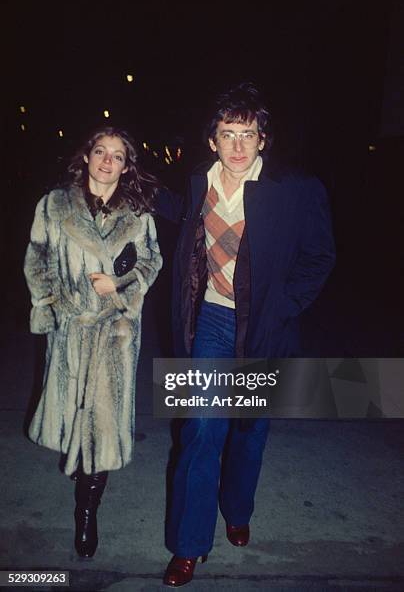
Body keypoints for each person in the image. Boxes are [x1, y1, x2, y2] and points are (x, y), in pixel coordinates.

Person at [156, 83, 336, 586]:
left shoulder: (296, 189)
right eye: (227, 134)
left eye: (248, 134)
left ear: (263, 139)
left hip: (265, 326)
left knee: (250, 428)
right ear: (211, 140)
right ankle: (189, 544)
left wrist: (282, 307)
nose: (238, 145)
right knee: (201, 427)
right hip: (212, 318)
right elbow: (171, 209)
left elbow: (320, 257)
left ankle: (237, 508)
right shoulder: (199, 182)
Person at [24, 126, 162, 558]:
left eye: (117, 155)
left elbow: (152, 260)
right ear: (86, 157)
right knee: (73, 427)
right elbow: (37, 259)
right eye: (100, 151)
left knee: (101, 434)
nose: (107, 161)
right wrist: (50, 307)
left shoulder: (138, 214)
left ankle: (87, 514)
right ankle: (80, 475)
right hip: (70, 332)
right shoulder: (54, 205)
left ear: (126, 165)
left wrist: (119, 284)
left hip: (115, 335)